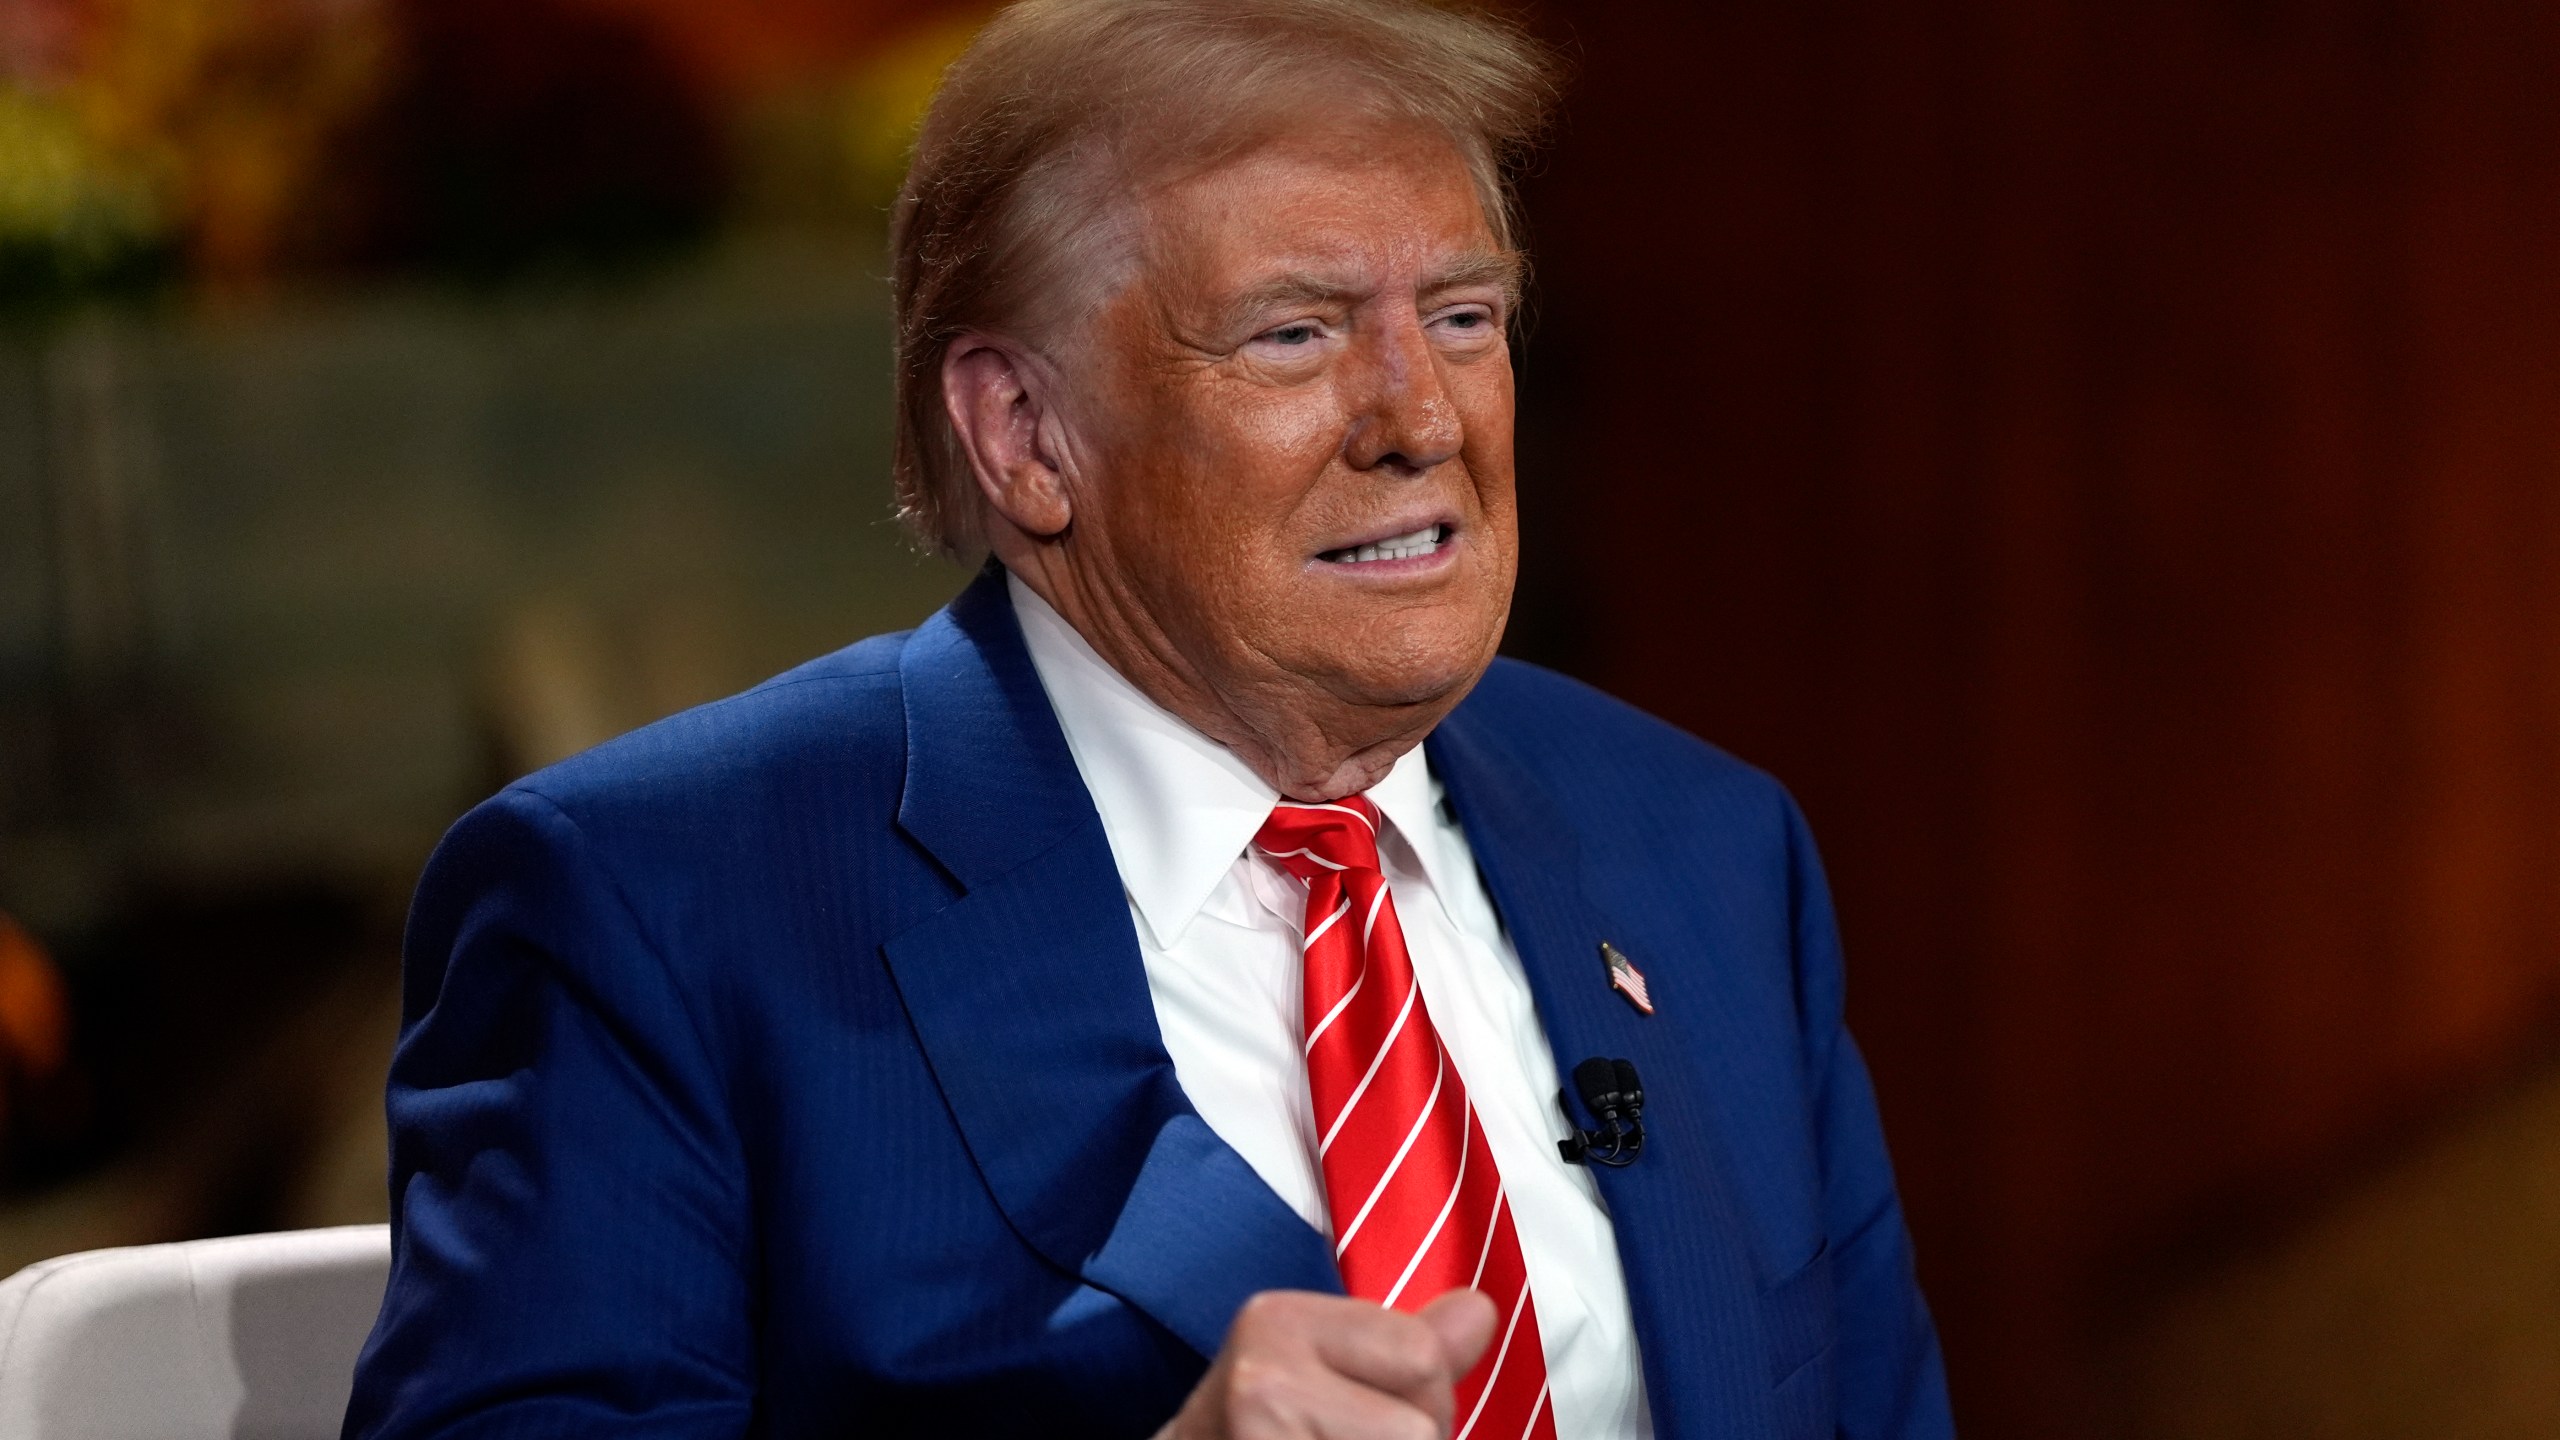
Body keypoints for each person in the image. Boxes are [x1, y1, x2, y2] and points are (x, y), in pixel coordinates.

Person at [342, 1, 1953, 1436]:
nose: (1420, 417)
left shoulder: (1702, 848)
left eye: (1464, 315)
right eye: (1296, 333)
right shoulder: (656, 912)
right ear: (1025, 431)